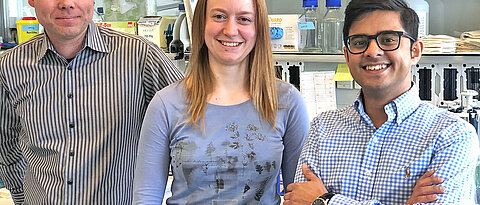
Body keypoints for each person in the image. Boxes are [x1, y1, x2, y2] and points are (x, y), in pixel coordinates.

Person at [283, 0, 480, 204]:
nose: (372, 51)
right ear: (347, 55)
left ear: (415, 51)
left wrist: (324, 200)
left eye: (388, 40)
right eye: (359, 42)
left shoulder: (452, 135)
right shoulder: (322, 128)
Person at [0, 0, 183, 204]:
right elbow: (7, 144)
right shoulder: (9, 67)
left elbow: (192, 129)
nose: (67, 3)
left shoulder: (141, 56)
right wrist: (21, 196)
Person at [132, 0, 310, 204]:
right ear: (201, 23)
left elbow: (300, 195)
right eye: (219, 16)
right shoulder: (166, 104)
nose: (231, 30)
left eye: (244, 19)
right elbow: (146, 197)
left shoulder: (287, 102)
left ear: (258, 27)